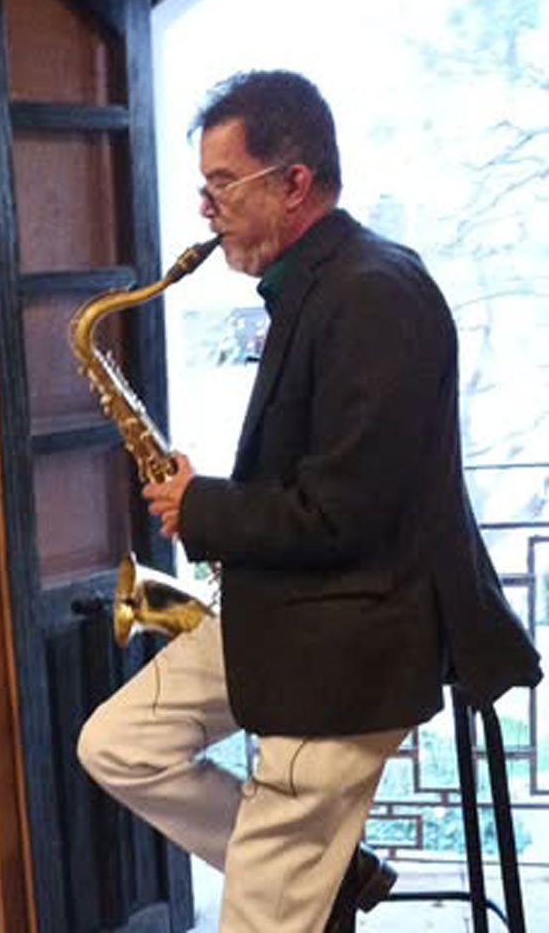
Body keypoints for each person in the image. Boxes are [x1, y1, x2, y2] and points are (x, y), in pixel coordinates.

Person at [77, 69, 542, 933]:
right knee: (117, 744)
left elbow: (346, 513)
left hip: (351, 643)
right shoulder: (324, 284)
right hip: (298, 612)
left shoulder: (372, 293)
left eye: (224, 185)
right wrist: (205, 498)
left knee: (256, 922)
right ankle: (333, 867)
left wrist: (205, 509)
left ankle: (296, 871)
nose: (207, 210)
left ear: (294, 183)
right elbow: (324, 479)